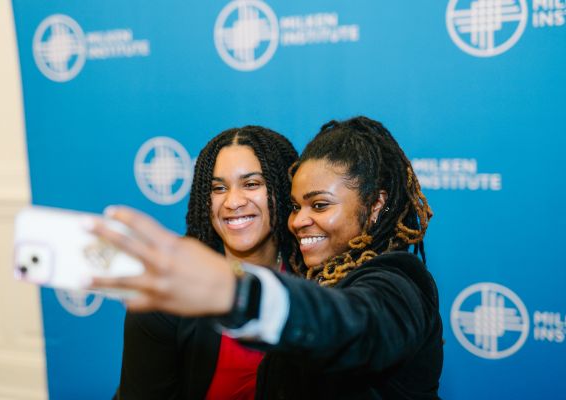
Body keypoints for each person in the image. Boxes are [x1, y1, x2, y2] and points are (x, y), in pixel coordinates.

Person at [93, 116, 443, 399]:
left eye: (319, 205)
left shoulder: (399, 278)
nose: (300, 219)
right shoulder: (316, 273)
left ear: (375, 205)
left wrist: (235, 292)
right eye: (297, 206)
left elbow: (358, 325)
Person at [115, 126, 299, 399]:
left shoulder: (314, 278)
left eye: (251, 184)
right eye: (218, 188)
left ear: (284, 191)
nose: (233, 201)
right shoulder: (167, 294)